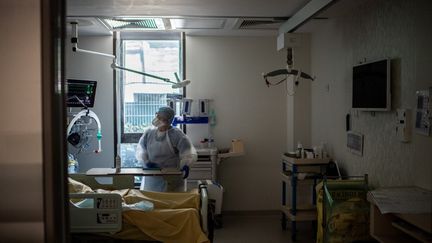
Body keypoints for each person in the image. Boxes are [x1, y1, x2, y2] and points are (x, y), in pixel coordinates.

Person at [135, 106, 197, 192]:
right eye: (158, 116)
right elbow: (141, 150)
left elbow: (188, 153)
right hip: (151, 180)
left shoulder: (177, 135)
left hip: (171, 180)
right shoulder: (149, 133)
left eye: (162, 118)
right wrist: (146, 162)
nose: (158, 119)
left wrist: (186, 165)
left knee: (170, 203)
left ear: (169, 121)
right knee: (150, 202)